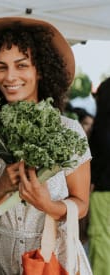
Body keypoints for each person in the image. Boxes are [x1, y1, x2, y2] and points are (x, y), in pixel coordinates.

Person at [0, 17, 92, 274]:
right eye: (1, 67)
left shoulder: (68, 130)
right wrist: (0, 187)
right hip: (4, 257)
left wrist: (49, 205)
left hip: (55, 257)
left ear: (41, 70)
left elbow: (81, 205)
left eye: (21, 65)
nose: (9, 77)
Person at [88, 77, 110, 275]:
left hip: (104, 188)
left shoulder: (108, 88)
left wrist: (92, 180)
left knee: (101, 237)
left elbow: (101, 147)